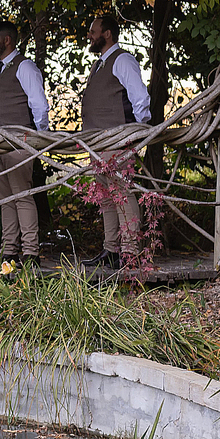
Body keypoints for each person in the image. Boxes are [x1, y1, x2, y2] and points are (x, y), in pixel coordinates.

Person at [80, 15, 152, 269]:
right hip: (97, 142)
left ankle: (130, 253)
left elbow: (139, 97)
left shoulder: (122, 60)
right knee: (106, 197)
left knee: (122, 193)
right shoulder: (99, 64)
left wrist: (137, 131)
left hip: (115, 140)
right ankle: (111, 250)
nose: (89, 35)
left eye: (93, 30)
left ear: (107, 34)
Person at [0, 21, 50, 267]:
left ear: (7, 40)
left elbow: (39, 105)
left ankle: (31, 253)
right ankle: (9, 252)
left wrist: (38, 139)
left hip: (19, 142)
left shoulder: (25, 67)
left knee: (22, 196)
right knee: (4, 199)